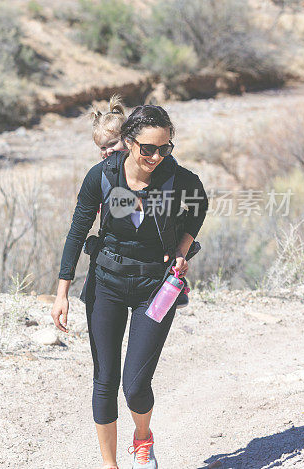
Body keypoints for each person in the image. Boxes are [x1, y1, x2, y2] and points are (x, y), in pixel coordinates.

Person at [52, 104, 209, 469]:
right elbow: (78, 231)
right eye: (148, 148)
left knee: (135, 386)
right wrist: (62, 292)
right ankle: (110, 465)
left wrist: (182, 250)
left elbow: (199, 205)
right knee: (104, 380)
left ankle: (142, 439)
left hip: (155, 288)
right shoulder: (102, 177)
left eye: (164, 148)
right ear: (128, 142)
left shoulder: (176, 178)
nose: (156, 156)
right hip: (106, 282)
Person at [90, 97, 190, 310]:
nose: (107, 151)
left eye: (112, 144)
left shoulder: (160, 166)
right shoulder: (106, 173)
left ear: (127, 141)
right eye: (102, 147)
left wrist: (181, 249)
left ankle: (176, 282)